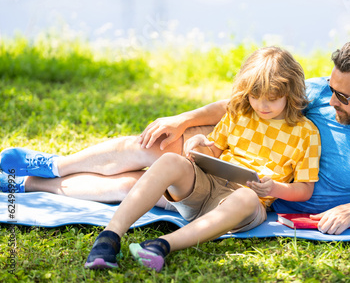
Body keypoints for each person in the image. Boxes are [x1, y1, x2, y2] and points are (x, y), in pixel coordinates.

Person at [1, 40, 350, 236]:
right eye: (331, 88)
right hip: (239, 154)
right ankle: (53, 164)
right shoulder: (323, 89)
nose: (330, 98)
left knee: (136, 186)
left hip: (267, 190)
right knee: (155, 146)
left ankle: (29, 186)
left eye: (343, 95)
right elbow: (245, 104)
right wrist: (183, 119)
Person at [82, 46, 321, 271]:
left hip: (242, 206)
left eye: (272, 97)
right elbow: (214, 150)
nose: (262, 105)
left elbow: (305, 189)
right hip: (206, 187)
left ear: (290, 92)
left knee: (247, 196)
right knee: (169, 161)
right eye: (255, 96)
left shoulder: (305, 132)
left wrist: (275, 188)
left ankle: (161, 245)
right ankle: (109, 238)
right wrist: (199, 148)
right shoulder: (240, 113)